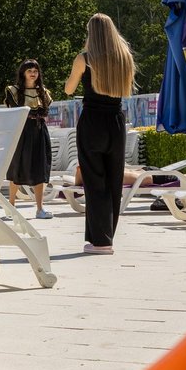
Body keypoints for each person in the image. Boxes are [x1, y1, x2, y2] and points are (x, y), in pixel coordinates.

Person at [64, 13, 136, 255]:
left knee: (94, 181)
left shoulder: (84, 59)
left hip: (92, 121)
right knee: (113, 181)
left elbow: (69, 88)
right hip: (116, 120)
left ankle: (100, 241)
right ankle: (106, 238)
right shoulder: (124, 57)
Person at [5, 59, 54, 219]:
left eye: (35, 71)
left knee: (40, 168)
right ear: (23, 73)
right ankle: (11, 206)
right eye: (29, 71)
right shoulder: (13, 90)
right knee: (17, 168)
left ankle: (40, 209)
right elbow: (14, 112)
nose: (33, 74)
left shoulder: (43, 92)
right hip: (21, 132)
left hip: (39, 132)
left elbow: (44, 112)